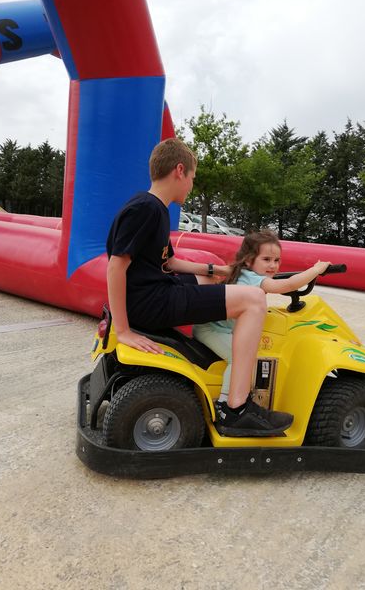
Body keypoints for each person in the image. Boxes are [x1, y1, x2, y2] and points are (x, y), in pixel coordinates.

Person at [106, 138, 292, 437]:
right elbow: (116, 265)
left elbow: (169, 263)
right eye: (192, 178)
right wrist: (124, 330)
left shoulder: (154, 207)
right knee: (255, 299)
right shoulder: (146, 209)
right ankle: (236, 408)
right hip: (151, 303)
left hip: (155, 292)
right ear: (180, 170)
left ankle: (214, 341)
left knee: (210, 282)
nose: (192, 185)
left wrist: (214, 270)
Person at [193, 230, 331, 416]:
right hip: (212, 330)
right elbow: (287, 285)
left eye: (276, 260)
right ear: (249, 260)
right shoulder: (254, 279)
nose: (273, 265)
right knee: (239, 359)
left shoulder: (239, 272)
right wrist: (316, 270)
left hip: (214, 327)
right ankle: (225, 405)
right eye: (266, 260)